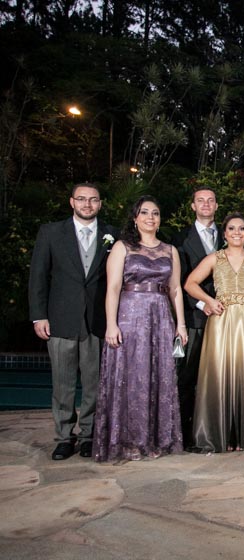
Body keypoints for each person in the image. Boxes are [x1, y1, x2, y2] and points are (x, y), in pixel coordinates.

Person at [29, 183, 119, 460]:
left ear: (100, 204)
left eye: (93, 199)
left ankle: (89, 436)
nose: (87, 204)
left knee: (94, 384)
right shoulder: (51, 232)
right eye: (81, 199)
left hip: (97, 320)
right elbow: (38, 276)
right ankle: (64, 437)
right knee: (63, 384)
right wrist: (39, 315)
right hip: (61, 319)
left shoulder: (112, 234)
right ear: (72, 202)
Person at [93, 196, 186, 462]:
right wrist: (111, 324)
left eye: (155, 213)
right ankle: (128, 441)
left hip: (161, 317)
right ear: (135, 218)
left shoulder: (170, 250)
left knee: (159, 375)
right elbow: (113, 288)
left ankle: (157, 440)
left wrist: (180, 324)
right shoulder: (122, 247)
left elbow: (175, 289)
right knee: (130, 376)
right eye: (144, 213)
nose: (150, 217)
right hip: (130, 316)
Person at [185, 212, 244, 452]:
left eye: (242, 229)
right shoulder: (214, 258)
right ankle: (221, 434)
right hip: (222, 323)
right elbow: (190, 284)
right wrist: (208, 301)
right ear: (224, 234)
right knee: (220, 372)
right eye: (232, 229)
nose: (237, 233)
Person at [171, 187, 221, 448]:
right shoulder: (179, 239)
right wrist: (202, 304)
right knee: (188, 377)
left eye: (210, 200)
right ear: (192, 206)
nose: (206, 204)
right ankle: (184, 433)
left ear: (216, 206)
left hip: (225, 319)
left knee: (217, 377)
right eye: (200, 201)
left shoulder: (230, 234)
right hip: (194, 317)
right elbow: (178, 282)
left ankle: (214, 429)